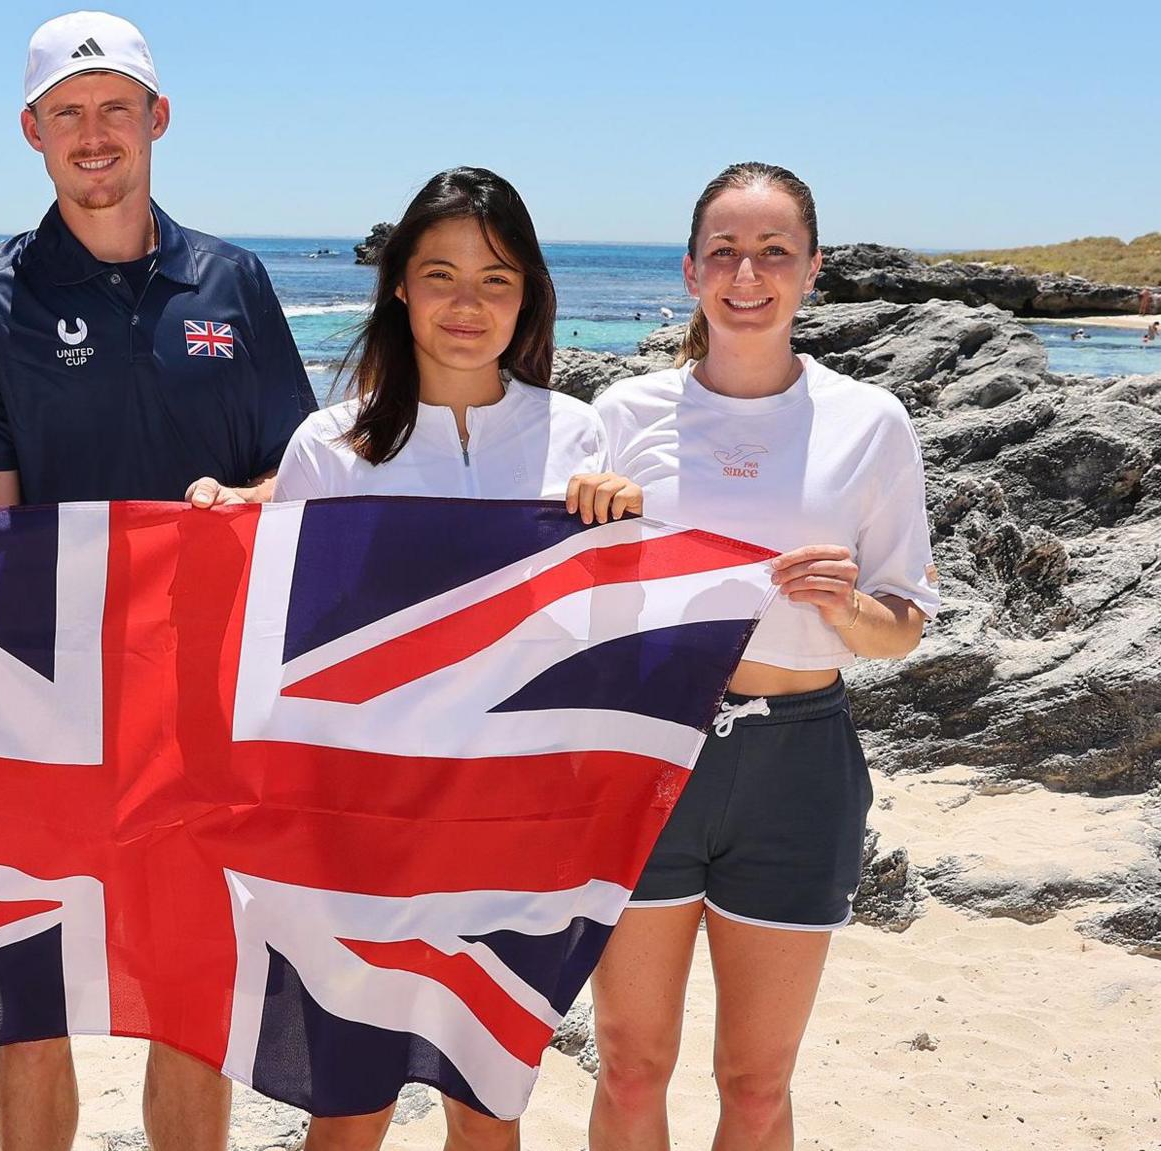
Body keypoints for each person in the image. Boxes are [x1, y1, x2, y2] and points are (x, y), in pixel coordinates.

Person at [0, 11, 317, 1149]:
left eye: (115, 109)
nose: (95, 136)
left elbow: (295, 473)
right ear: (32, 131)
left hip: (205, 698)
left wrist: (248, 504)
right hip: (37, 699)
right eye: (69, 113)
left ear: (157, 119)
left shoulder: (231, 281)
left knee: (191, 995)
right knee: (29, 1005)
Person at [274, 167, 635, 1151]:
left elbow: (599, 628)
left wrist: (619, 526)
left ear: (527, 295)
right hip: (363, 824)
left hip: (516, 817)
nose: (466, 305)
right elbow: (280, 646)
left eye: (495, 278)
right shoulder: (327, 448)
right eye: (439, 274)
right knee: (347, 1107)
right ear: (398, 285)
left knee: (488, 1106)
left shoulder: (576, 433)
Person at [579, 162, 938, 1151]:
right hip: (646, 752)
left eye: (773, 252)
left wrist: (845, 601)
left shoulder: (870, 423)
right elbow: (562, 603)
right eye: (724, 252)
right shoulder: (616, 416)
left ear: (811, 269)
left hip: (796, 762)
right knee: (629, 1059)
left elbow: (900, 628)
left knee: (752, 1081)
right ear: (689, 270)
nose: (748, 273)